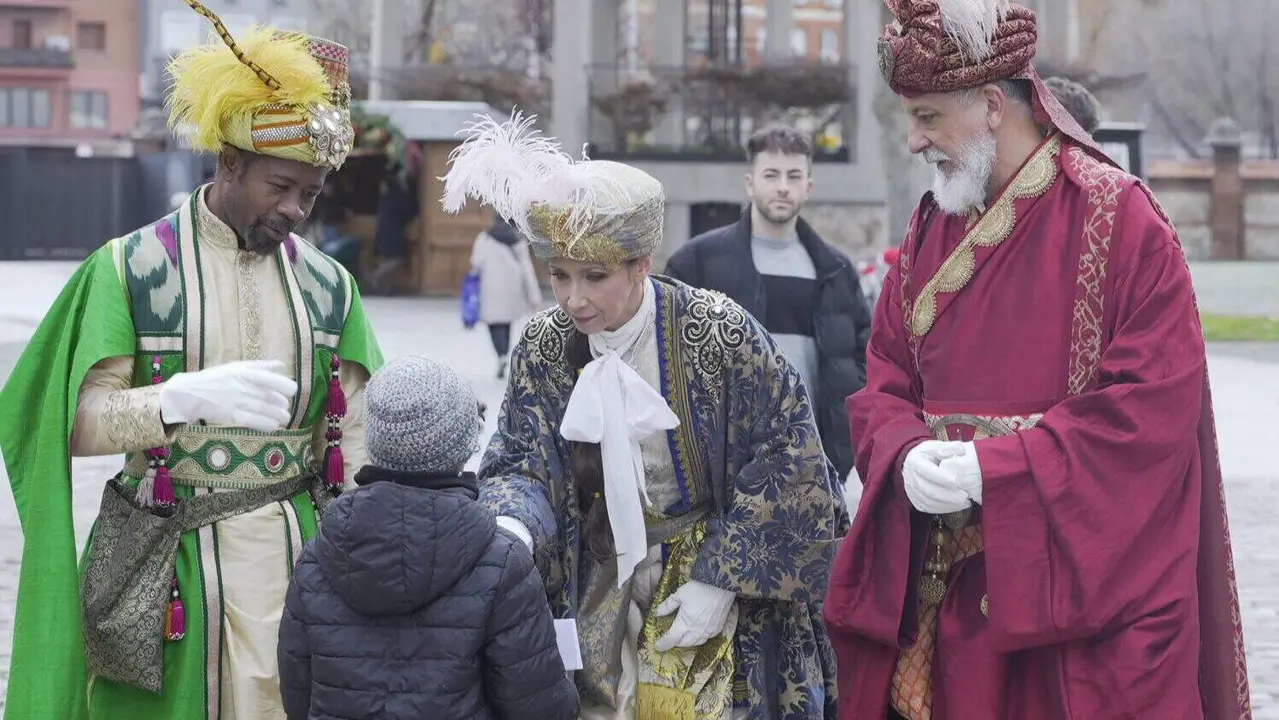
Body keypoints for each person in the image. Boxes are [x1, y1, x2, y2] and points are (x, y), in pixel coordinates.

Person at [822, 2, 1250, 719]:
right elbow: (886, 376)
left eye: (926, 117)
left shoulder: (1122, 220)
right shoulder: (933, 219)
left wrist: (996, 469)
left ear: (992, 105)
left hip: (1076, 622)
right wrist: (898, 452)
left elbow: (1148, 416)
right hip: (945, 613)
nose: (911, 141)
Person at [0, 6, 383, 719]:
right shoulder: (130, 268)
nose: (299, 210)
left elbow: (359, 439)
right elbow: (70, 426)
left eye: (312, 192)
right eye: (281, 187)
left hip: (299, 564)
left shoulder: (333, 287)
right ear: (229, 163)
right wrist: (175, 400)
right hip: (164, 561)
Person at [441, 111, 847, 719]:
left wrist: (723, 578)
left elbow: (792, 455)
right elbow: (522, 458)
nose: (573, 298)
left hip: (709, 573)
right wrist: (514, 524)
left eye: (595, 277)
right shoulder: (545, 344)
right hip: (595, 573)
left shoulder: (719, 334)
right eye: (559, 275)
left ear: (641, 265)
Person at [277, 355, 579, 720]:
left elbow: (297, 693)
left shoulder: (319, 558)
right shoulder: (502, 564)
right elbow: (541, 708)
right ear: (465, 444)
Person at [664, 125, 870, 484]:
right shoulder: (698, 262)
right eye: (771, 175)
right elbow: (668, 356)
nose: (782, 187)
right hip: (729, 467)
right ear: (749, 183)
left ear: (808, 186)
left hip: (818, 462)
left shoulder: (835, 271)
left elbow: (863, 358)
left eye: (794, 176)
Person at [469, 215, 544, 378]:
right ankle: (504, 353)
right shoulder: (517, 240)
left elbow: (476, 262)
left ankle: (501, 354)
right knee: (506, 322)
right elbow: (527, 269)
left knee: (493, 323)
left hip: (490, 286)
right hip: (512, 287)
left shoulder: (484, 238)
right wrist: (534, 295)